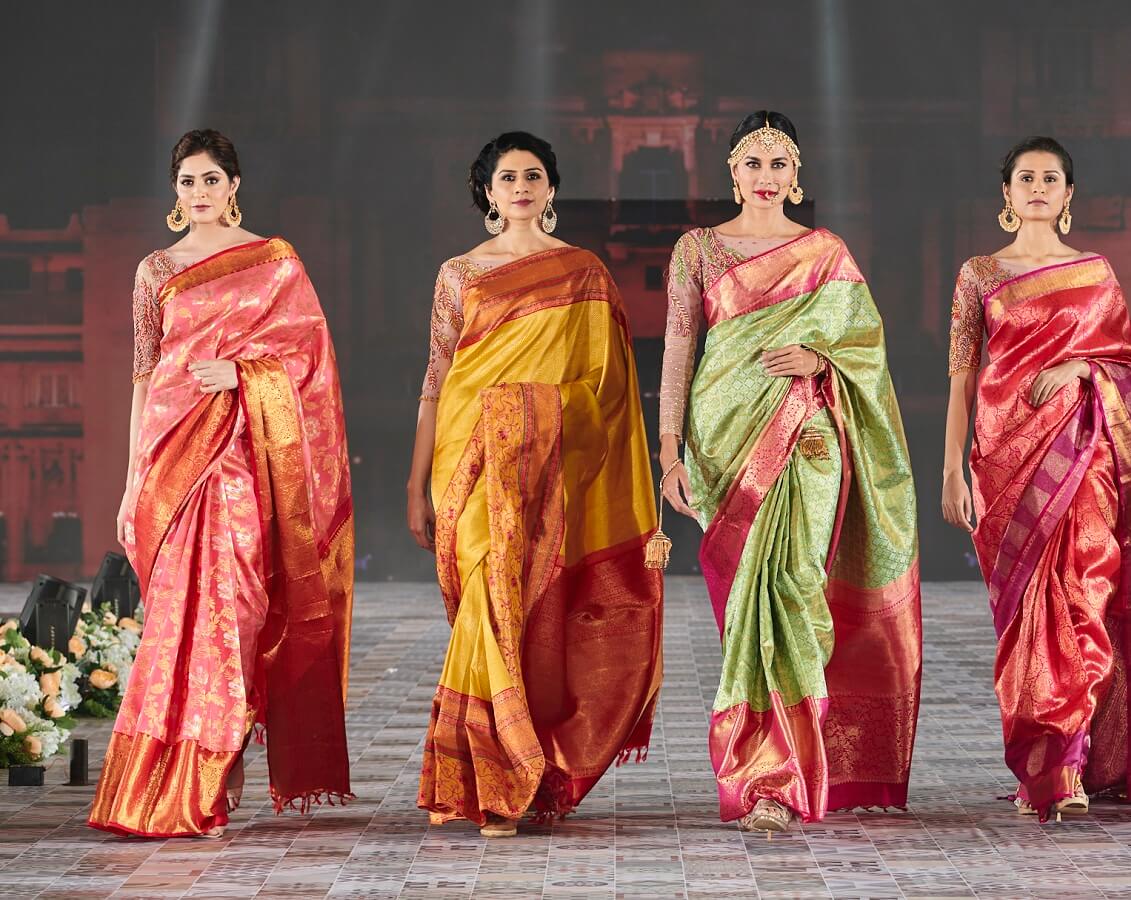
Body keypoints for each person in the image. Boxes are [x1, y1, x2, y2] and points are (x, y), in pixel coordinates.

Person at [658, 111, 922, 834]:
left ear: (797, 175)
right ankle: (758, 771)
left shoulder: (826, 252)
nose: (766, 178)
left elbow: (867, 346)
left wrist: (822, 360)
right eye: (753, 163)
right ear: (732, 174)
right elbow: (680, 348)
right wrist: (669, 448)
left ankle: (784, 777)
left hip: (809, 436)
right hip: (722, 445)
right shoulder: (699, 250)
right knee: (743, 604)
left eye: (780, 164)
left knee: (799, 588)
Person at [89, 130, 353, 838]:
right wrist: (130, 482)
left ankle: (222, 752)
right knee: (173, 624)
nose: (199, 193)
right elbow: (145, 376)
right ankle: (171, 774)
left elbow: (310, 360)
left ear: (233, 185)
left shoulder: (274, 264)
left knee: (235, 611)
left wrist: (243, 375)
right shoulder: (154, 271)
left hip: (240, 458)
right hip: (168, 466)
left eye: (211, 180)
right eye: (187, 182)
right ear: (174, 192)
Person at [939, 136, 1131, 820]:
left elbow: (1130, 361)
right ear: (1005, 195)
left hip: (1085, 456)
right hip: (1003, 461)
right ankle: (1041, 761)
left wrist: (1084, 368)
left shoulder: (1094, 272)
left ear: (1068, 195)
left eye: (1050, 178)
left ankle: (1068, 765)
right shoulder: (979, 274)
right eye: (1024, 177)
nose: (1036, 186)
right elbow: (963, 376)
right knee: (1024, 618)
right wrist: (950, 468)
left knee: (1083, 600)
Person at [409, 133, 664, 837]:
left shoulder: (582, 273)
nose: (520, 186)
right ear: (486, 192)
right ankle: (478, 772)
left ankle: (497, 777)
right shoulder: (458, 275)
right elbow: (436, 382)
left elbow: (608, 390)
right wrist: (414, 481)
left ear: (551, 189)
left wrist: (528, 412)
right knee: (485, 601)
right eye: (506, 177)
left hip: (545, 470)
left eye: (533, 175)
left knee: (514, 610)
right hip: (465, 463)